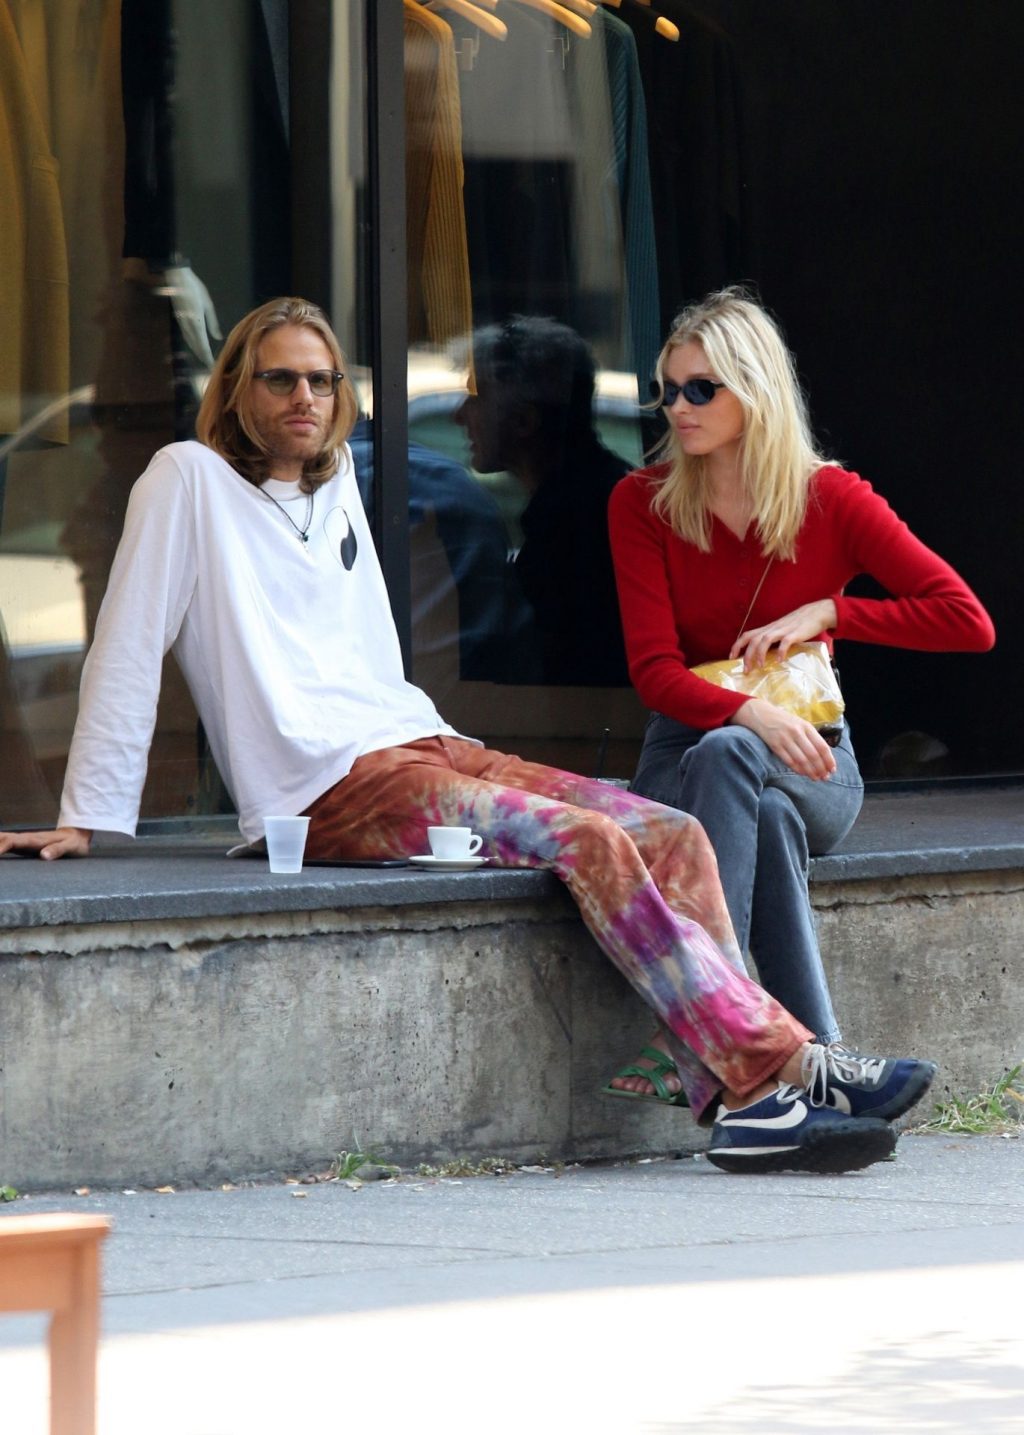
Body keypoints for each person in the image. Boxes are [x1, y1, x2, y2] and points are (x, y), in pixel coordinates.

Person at [0, 296, 936, 1176]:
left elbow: (369, 650)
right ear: (237, 387)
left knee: (669, 828)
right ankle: (783, 1071)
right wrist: (89, 812)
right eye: (280, 379)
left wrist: (434, 733)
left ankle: (743, 1090)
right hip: (329, 787)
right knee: (589, 839)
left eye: (321, 380)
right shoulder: (186, 478)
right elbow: (128, 638)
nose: (304, 398)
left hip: (419, 742)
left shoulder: (335, 483)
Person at [607, 286, 994, 1104]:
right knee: (753, 789)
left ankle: (701, 1030)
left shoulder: (832, 499)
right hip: (682, 762)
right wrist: (749, 712)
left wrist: (834, 611)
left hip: (815, 758)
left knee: (769, 785)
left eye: (701, 388)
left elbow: (968, 621)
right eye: (668, 390)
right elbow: (654, 673)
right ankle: (824, 1065)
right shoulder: (642, 503)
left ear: (755, 390)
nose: (678, 407)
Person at [456, 316, 630, 686]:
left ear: (524, 421)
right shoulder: (589, 501)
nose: (459, 416)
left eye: (475, 397)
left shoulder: (577, 528)